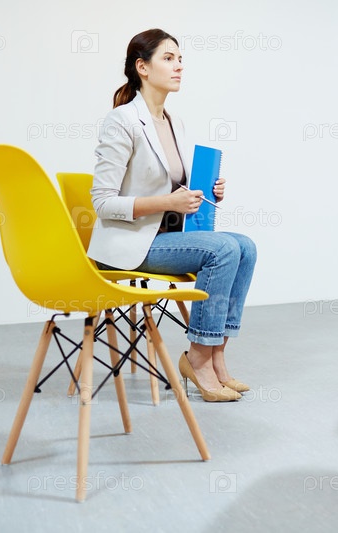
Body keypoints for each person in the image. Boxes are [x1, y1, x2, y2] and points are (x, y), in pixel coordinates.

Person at [87, 29, 257, 402]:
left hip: (166, 238)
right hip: (130, 244)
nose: (178, 66)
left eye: (180, 59)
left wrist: (206, 190)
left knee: (245, 246)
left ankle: (216, 355)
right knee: (223, 249)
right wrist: (168, 202)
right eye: (168, 58)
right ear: (142, 67)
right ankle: (198, 359)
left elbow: (173, 185)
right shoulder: (122, 120)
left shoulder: (173, 122)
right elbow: (103, 202)